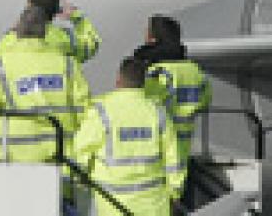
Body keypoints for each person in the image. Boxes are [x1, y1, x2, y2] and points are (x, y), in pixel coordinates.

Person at [0, 6, 91, 167]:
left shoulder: (1, 64)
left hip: (15, 162)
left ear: (17, 31)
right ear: (45, 32)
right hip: (62, 161)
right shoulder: (67, 64)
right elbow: (86, 110)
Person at [72, 57, 188, 216]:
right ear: (143, 82)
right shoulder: (158, 112)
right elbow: (174, 159)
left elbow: (80, 153)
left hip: (112, 206)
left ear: (118, 79)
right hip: (154, 206)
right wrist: (174, 193)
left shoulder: (101, 111)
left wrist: (81, 185)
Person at [133, 15, 210, 156]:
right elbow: (204, 101)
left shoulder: (154, 70)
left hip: (156, 146)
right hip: (183, 143)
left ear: (153, 38)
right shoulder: (194, 70)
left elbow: (142, 106)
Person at [0, 0, 101, 64]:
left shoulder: (9, 40)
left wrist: (19, 24)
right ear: (55, 12)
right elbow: (92, 44)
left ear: (29, 5)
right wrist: (77, 17)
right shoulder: (66, 38)